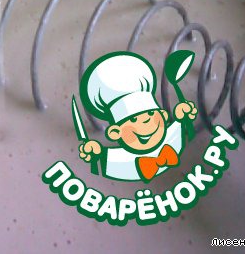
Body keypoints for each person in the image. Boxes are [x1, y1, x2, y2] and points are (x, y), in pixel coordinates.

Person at [78, 51, 197, 182]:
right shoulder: (120, 161)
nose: (146, 122)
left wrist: (183, 117)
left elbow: (185, 130)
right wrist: (94, 154)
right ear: (115, 132)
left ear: (163, 115)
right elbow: (99, 164)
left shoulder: (172, 137)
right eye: (134, 119)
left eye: (151, 113)